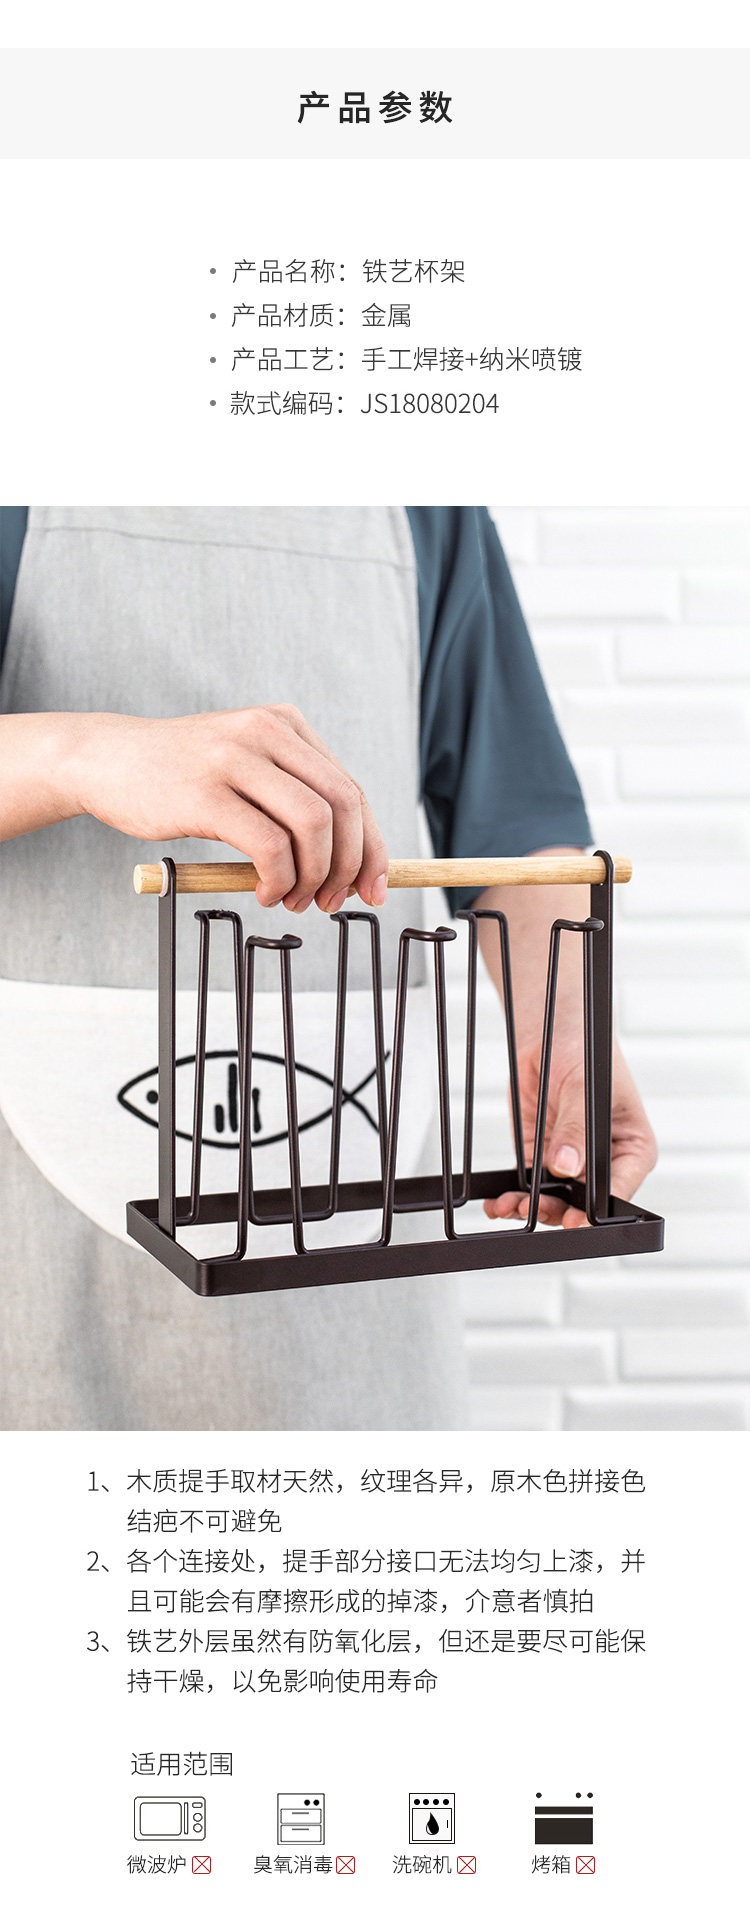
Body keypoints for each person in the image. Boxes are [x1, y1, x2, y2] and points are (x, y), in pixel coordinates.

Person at [0, 506, 656, 1431]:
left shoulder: (426, 496)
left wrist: (569, 1032)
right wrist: (80, 754)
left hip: (364, 1208)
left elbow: (512, 824)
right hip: (33, 1207)